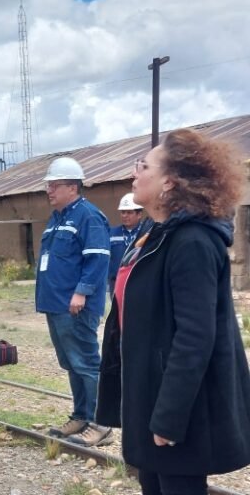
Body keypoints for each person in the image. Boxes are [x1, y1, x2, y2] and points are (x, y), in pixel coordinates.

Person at [96, 129, 250, 495]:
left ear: (168, 182)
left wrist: (169, 416)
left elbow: (195, 336)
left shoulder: (192, 242)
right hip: (150, 389)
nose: (134, 173)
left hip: (178, 401)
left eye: (143, 166)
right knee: (153, 483)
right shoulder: (156, 233)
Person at [35, 157, 112, 446]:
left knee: (86, 363)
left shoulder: (88, 217)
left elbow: (98, 259)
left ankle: (100, 423)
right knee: (71, 362)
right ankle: (81, 416)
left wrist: (82, 291)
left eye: (54, 185)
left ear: (72, 187)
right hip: (56, 304)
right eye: (48, 185)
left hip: (76, 305)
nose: (49, 190)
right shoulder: (58, 219)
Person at [107, 193, 144, 295]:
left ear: (139, 214)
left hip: (140, 280)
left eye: (129, 212)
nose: (125, 216)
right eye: (123, 212)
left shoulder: (146, 233)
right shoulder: (111, 233)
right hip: (116, 282)